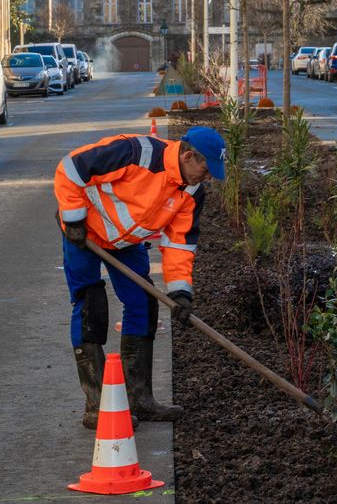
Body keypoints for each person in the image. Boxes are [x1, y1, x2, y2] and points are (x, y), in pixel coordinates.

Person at [54, 125, 226, 429]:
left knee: (144, 304)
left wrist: (180, 292)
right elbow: (70, 168)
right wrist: (74, 218)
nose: (208, 176)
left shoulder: (193, 193)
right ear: (188, 156)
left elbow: (179, 244)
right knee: (90, 305)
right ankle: (97, 405)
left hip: (126, 242)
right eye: (206, 168)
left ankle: (139, 399)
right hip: (86, 234)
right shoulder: (136, 153)